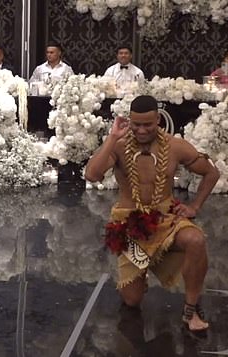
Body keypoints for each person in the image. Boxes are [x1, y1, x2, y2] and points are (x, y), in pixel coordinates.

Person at [84, 95, 220, 332]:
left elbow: (211, 173)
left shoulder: (175, 146)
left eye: (148, 124)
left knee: (196, 240)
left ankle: (191, 309)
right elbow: (92, 175)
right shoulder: (119, 144)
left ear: (158, 119)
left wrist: (194, 206)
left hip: (165, 219)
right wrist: (112, 137)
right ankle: (140, 275)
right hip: (130, 224)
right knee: (132, 301)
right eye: (136, 124)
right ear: (129, 121)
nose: (141, 130)